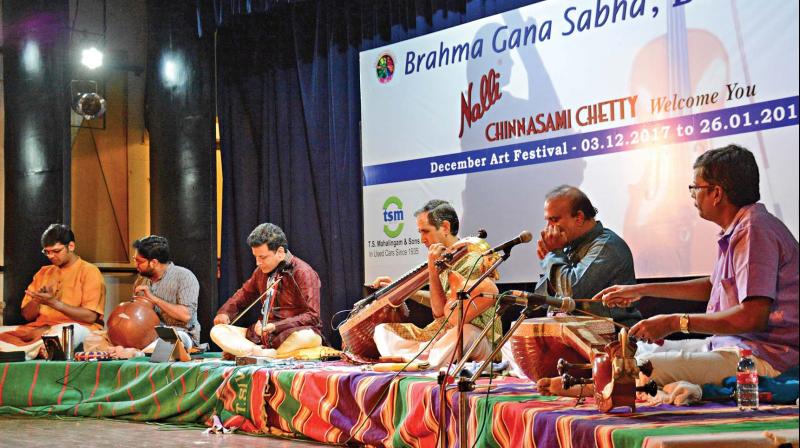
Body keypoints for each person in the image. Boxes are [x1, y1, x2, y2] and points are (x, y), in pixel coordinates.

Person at [546, 144, 798, 395]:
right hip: (731, 346)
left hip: (763, 358)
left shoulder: (754, 229)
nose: (692, 195)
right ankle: (591, 379)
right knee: (645, 352)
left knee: (647, 367)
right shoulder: (742, 226)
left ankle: (583, 386)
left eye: (695, 188)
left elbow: (752, 317)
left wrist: (675, 322)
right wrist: (642, 290)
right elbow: (716, 286)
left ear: (716, 193)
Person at [371, 199, 500, 369]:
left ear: (445, 227)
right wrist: (402, 290)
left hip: (479, 337)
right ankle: (420, 360)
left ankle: (422, 363)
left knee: (463, 333)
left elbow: (441, 312)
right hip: (444, 336)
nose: (422, 239)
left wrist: (432, 269)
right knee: (383, 331)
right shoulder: (445, 258)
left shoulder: (472, 259)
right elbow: (442, 303)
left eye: (425, 231)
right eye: (420, 232)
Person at [211, 223, 322, 357]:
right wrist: (225, 313)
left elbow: (313, 316)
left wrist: (277, 326)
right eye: (256, 257)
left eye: (262, 257)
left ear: (280, 252)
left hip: (291, 334)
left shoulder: (303, 272)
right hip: (261, 338)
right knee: (218, 331)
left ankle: (255, 354)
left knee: (309, 337)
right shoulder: (260, 272)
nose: (258, 262)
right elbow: (244, 294)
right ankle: (263, 354)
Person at [535, 185, 641, 327]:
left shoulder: (607, 246)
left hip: (611, 339)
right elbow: (540, 301)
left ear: (579, 218)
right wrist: (553, 259)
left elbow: (571, 294)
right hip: (571, 335)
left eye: (554, 220)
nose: (548, 228)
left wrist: (553, 255)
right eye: (547, 221)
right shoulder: (566, 245)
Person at [0, 224, 106, 359]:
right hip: (38, 328)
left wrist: (54, 303)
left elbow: (90, 317)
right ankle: (29, 351)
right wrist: (37, 300)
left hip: (76, 329)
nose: (51, 256)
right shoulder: (44, 272)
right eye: (47, 252)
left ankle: (27, 351)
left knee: (61, 335)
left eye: (56, 251)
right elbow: (27, 316)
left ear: (71, 247)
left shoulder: (89, 271)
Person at [130, 235, 200, 350]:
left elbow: (186, 315)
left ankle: (142, 352)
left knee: (166, 342)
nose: (135, 265)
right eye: (134, 260)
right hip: (149, 335)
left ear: (153, 262)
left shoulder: (184, 276)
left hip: (181, 334)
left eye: (139, 261)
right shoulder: (141, 281)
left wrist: (154, 299)